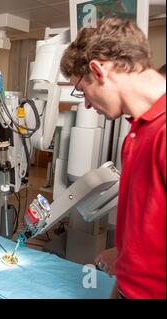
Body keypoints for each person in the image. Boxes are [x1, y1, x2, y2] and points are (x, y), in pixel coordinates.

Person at [60, 18, 166, 299]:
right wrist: (124, 255)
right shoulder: (136, 133)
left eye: (82, 90)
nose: (85, 103)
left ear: (98, 70)